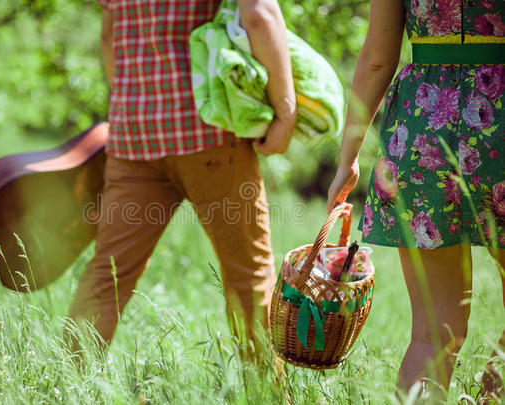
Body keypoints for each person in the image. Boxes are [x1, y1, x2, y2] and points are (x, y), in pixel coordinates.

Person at [68, 0, 296, 358]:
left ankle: (66, 385)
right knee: (248, 278)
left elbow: (110, 36)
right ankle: (265, 394)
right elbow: (258, 13)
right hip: (211, 135)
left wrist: (133, 104)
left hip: (134, 137)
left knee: (107, 277)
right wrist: (286, 111)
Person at [327, 0, 504, 399]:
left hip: (423, 125)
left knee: (431, 335)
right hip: (501, 125)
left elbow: (377, 59)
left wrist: (348, 158)